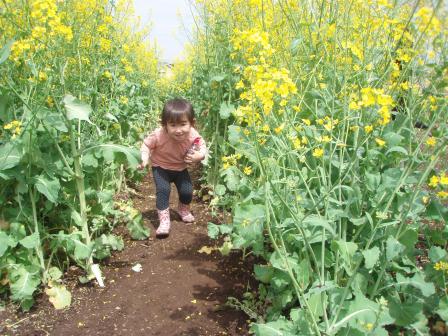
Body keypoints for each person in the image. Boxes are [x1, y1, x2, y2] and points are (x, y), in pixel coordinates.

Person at [139, 98, 207, 238]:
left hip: (180, 168)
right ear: (164, 125)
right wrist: (144, 158)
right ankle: (164, 221)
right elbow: (146, 145)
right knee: (163, 190)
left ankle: (183, 210)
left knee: (187, 191)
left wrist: (199, 156)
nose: (178, 130)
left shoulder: (193, 135)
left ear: (192, 123)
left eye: (183, 124)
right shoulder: (158, 135)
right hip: (161, 167)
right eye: (173, 125)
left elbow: (202, 147)